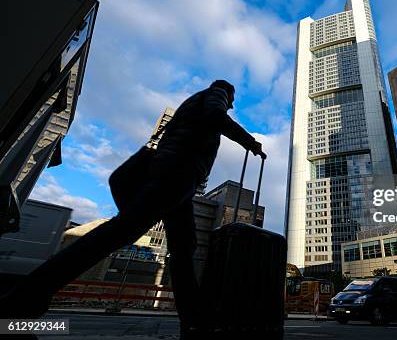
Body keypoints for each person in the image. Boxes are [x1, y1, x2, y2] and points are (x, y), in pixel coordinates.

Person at [0, 80, 266, 338]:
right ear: (227, 94)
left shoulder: (191, 104)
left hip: (179, 176)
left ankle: (194, 323)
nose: (231, 106)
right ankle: (19, 306)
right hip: (178, 173)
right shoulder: (216, 94)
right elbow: (216, 117)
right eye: (232, 101)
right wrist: (249, 142)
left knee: (184, 249)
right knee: (120, 233)